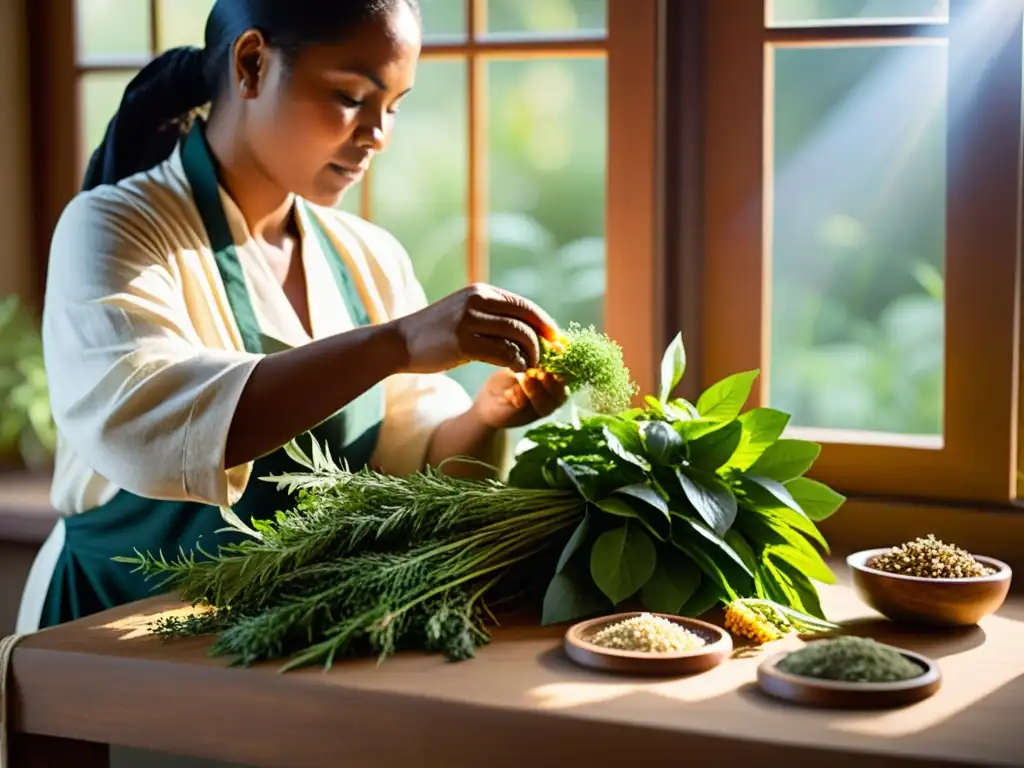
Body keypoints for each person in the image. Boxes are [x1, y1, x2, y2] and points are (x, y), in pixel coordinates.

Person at [15, 0, 566, 634]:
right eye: (351, 96)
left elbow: (417, 466)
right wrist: (398, 344)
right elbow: (147, 426)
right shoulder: (113, 227)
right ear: (251, 64)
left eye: (393, 105)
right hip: (105, 636)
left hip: (280, 645)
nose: (378, 134)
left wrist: (486, 416)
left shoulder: (369, 257)